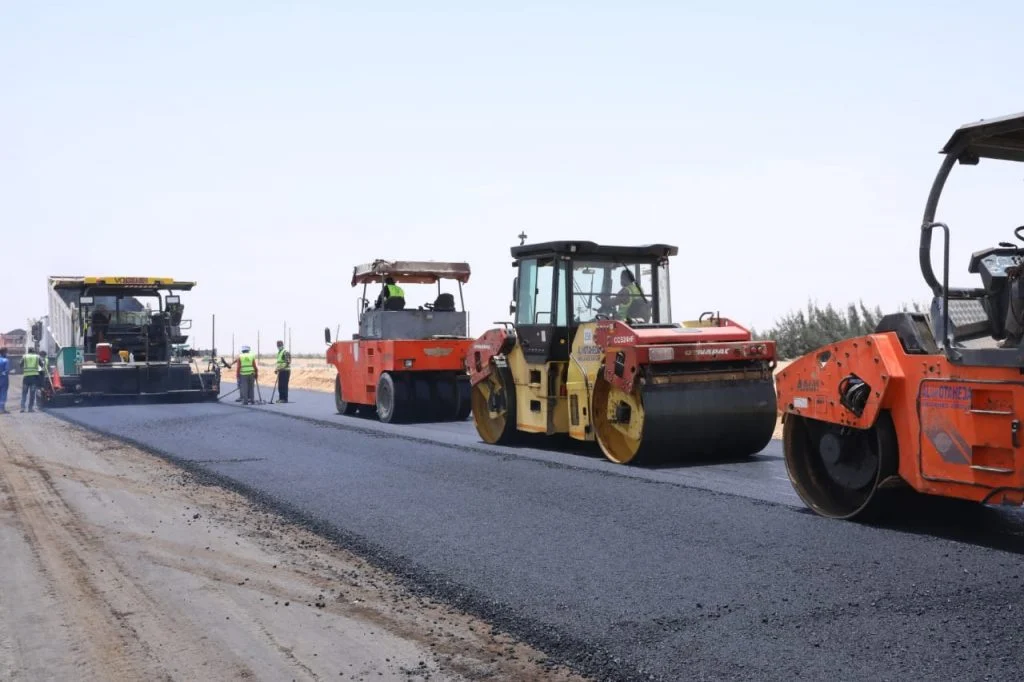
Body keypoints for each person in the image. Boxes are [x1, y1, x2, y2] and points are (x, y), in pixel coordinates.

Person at [20, 348, 42, 412]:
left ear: (28, 351)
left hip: (26, 378)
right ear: (34, 351)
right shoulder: (37, 357)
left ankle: (22, 408)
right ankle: (30, 408)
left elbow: (20, 364)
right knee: (32, 394)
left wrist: (24, 369)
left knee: (24, 393)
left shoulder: (24, 356)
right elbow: (42, 365)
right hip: (34, 378)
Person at [0, 348, 9, 414]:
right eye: (6, 352)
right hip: (3, 380)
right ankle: (2, 409)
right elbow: (7, 370)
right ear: (4, 352)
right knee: (3, 394)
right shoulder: (5, 360)